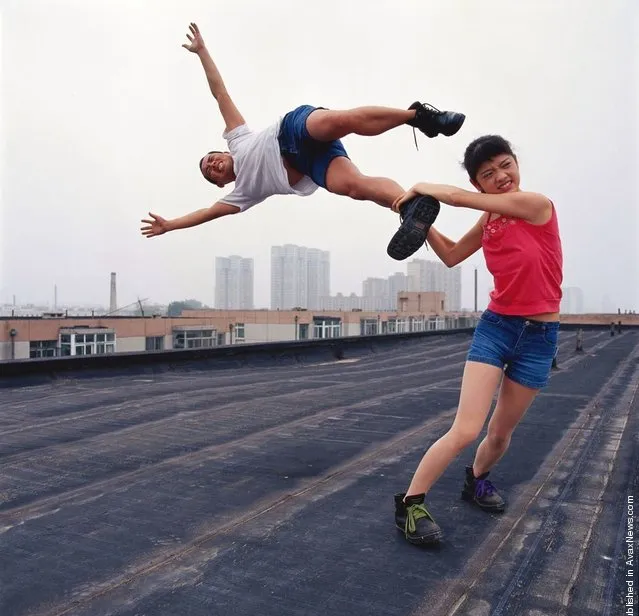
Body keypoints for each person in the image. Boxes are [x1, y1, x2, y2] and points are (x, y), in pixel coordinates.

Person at [141, 23, 463, 260]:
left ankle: (418, 117)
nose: (212, 165)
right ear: (219, 182)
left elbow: (219, 92)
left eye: (210, 159)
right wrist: (169, 225)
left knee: (341, 121)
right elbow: (204, 214)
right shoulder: (241, 195)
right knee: (354, 187)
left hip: (293, 130)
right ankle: (407, 207)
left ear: (223, 151)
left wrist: (202, 52)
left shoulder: (237, 138)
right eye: (209, 172)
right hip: (310, 165)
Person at [391, 135, 563, 544]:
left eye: (505, 165)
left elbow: (457, 197)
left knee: (500, 434)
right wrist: (420, 222)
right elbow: (452, 256)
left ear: (516, 163)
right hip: (497, 327)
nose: (501, 176)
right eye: (488, 174)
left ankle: (478, 480)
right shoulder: (491, 220)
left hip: (540, 337)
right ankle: (410, 505)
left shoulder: (537, 204)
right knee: (467, 428)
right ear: (480, 182)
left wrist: (419, 188)